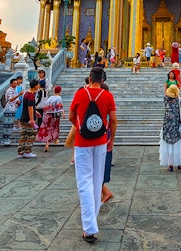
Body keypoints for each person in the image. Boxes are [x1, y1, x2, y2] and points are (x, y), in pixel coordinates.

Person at [69, 67, 117, 244]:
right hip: (101, 141)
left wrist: (80, 127)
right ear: (102, 80)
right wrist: (111, 137)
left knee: (85, 182)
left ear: (90, 78)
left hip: (83, 143)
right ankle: (91, 221)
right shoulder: (107, 95)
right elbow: (112, 119)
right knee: (97, 181)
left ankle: (89, 228)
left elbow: (71, 116)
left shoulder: (80, 93)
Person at [159, 84, 181, 172]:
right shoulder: (179, 99)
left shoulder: (165, 99)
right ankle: (178, 163)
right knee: (177, 144)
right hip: (175, 124)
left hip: (167, 124)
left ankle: (170, 164)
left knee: (168, 144)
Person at [36, 85, 66, 151]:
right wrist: (63, 112)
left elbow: (46, 105)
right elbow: (59, 106)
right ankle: (55, 139)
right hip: (56, 114)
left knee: (48, 128)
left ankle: (47, 143)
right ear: (60, 91)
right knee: (55, 127)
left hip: (48, 114)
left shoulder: (50, 97)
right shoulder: (59, 98)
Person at [17, 79, 41, 159]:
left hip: (23, 117)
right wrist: (32, 120)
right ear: (35, 86)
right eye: (38, 85)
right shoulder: (31, 95)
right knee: (30, 135)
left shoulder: (26, 93)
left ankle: (21, 152)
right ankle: (27, 151)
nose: (39, 86)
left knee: (23, 135)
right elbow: (30, 108)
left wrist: (35, 111)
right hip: (28, 119)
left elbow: (31, 107)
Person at [2, 78, 23, 146]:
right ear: (11, 84)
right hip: (9, 108)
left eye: (16, 84)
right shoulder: (9, 90)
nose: (15, 85)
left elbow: (14, 99)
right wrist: (18, 95)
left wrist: (18, 100)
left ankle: (7, 139)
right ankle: (5, 140)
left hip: (13, 108)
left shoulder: (14, 90)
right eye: (14, 83)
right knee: (7, 125)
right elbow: (10, 99)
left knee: (10, 125)